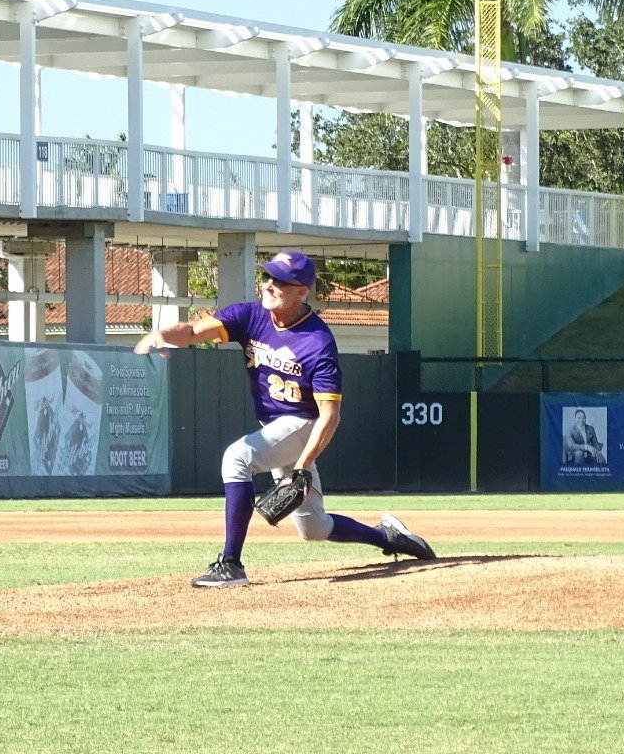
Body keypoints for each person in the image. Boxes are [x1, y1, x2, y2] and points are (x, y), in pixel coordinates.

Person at [133, 250, 435, 588]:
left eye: (280, 281)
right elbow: (191, 331)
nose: (269, 285)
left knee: (237, 458)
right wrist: (161, 335)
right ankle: (390, 537)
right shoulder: (250, 315)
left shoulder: (317, 342)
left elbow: (330, 415)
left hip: (305, 424)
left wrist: (302, 466)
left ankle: (231, 564)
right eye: (267, 277)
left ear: (302, 291)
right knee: (315, 528)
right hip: (276, 429)